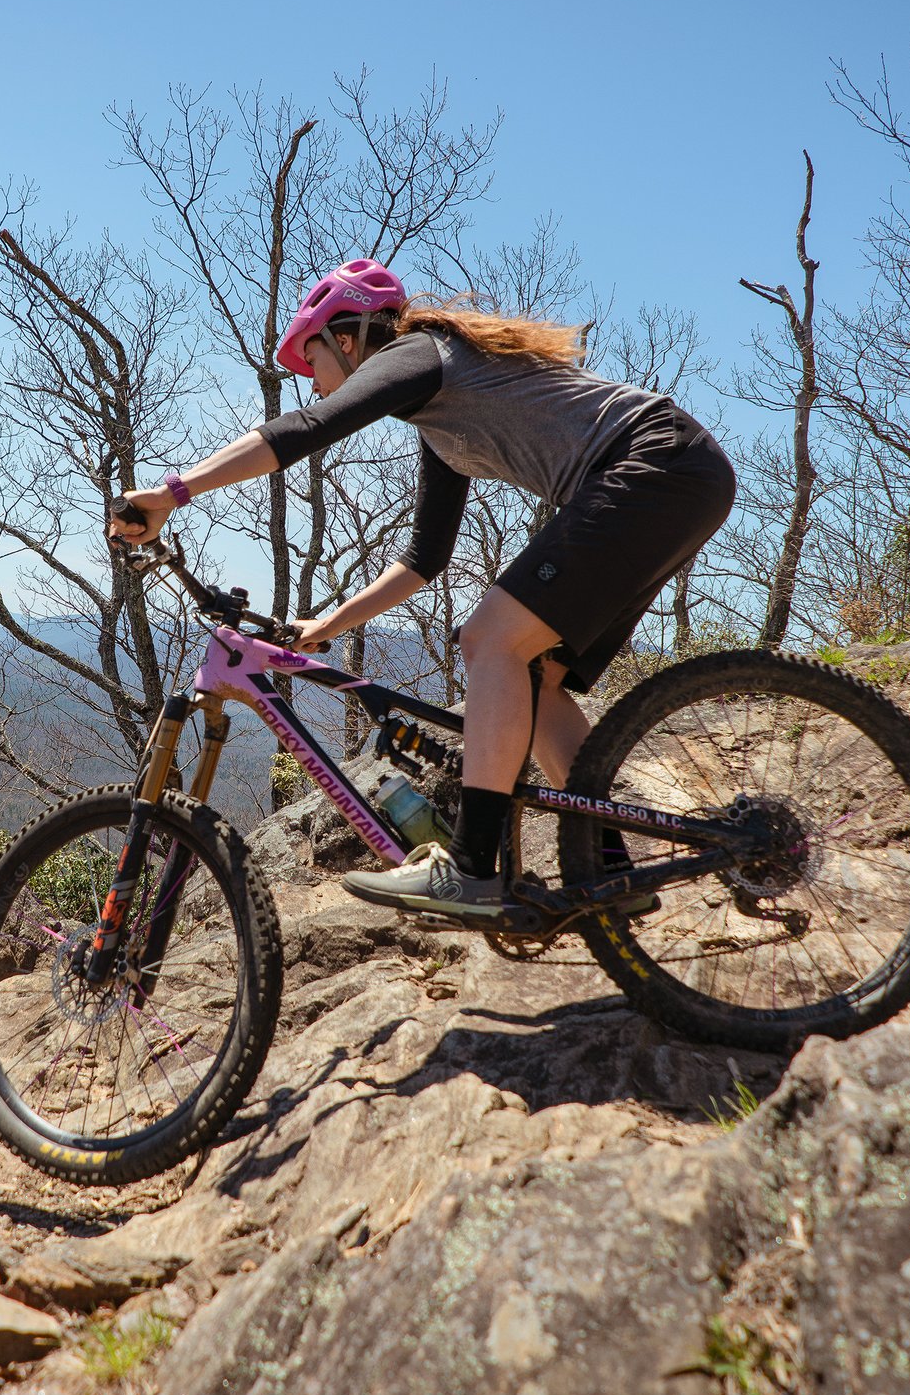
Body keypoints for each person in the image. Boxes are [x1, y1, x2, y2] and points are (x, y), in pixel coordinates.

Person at [108, 258, 736, 923]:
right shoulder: (442, 412)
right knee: (534, 677)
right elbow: (424, 559)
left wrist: (170, 494)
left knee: (489, 639)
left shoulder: (420, 353)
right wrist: (327, 624)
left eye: (311, 357)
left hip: (655, 466)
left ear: (347, 338)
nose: (310, 379)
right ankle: (609, 871)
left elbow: (308, 429)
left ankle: (469, 871)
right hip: (677, 475)